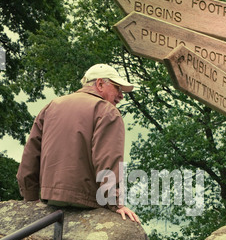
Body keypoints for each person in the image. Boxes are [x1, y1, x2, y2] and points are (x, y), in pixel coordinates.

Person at [16, 64, 140, 223]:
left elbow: (31, 154)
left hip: (51, 199)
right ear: (100, 84)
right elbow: (108, 159)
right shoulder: (107, 110)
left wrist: (31, 197)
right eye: (118, 88)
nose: (121, 95)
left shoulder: (51, 106)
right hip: (87, 200)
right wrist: (115, 203)